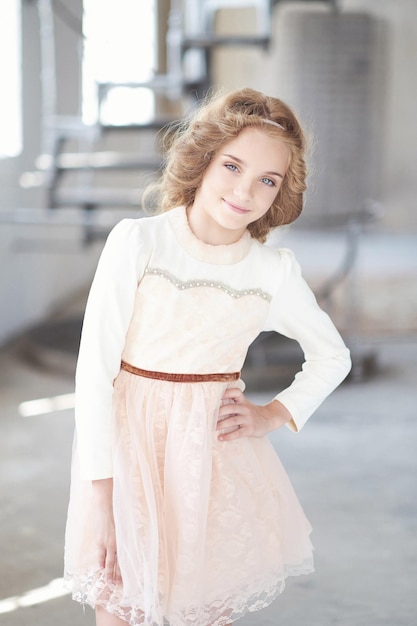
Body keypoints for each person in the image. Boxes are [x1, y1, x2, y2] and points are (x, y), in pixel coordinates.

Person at [64, 87, 351, 626]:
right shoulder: (139, 242)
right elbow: (93, 373)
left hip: (216, 460)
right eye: (233, 166)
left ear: (281, 190)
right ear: (202, 160)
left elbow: (332, 356)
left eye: (267, 180)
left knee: (205, 609)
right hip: (130, 456)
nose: (245, 190)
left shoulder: (272, 271)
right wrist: (101, 502)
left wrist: (271, 414)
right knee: (122, 605)